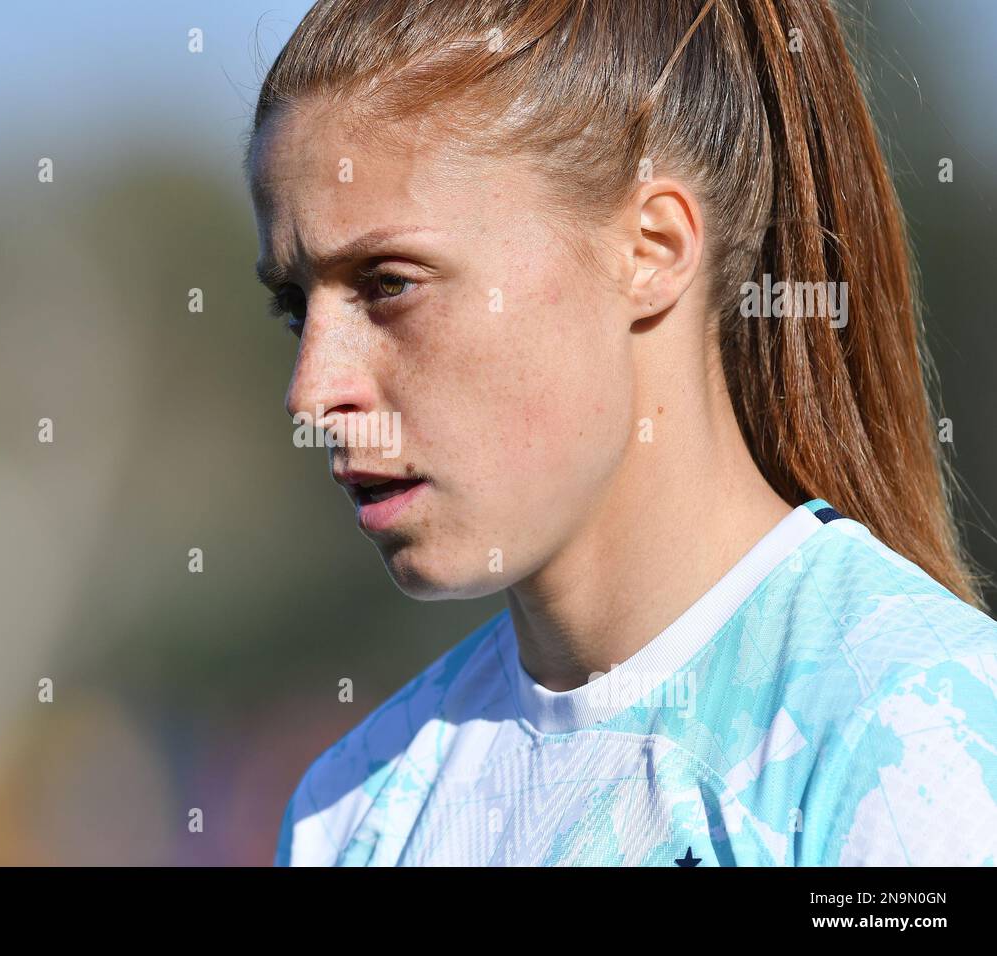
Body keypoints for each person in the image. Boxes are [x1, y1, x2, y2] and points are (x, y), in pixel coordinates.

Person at [244, 0, 997, 865]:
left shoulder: (915, 745)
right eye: (295, 305)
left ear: (651, 249)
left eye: (387, 284)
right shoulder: (351, 809)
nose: (312, 392)